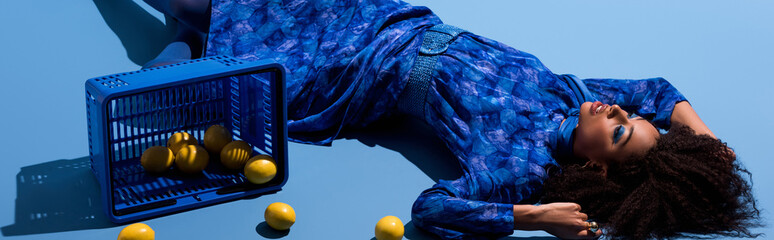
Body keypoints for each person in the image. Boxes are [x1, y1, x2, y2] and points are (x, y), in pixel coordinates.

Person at [140, 0, 761, 239]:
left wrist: (534, 218)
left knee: (214, 23)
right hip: (394, 18)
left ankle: (177, 45)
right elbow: (659, 89)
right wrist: (707, 144)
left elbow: (431, 209)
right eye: (627, 114)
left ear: (598, 162)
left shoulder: (522, 169)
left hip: (361, 64)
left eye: (622, 129)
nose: (619, 109)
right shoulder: (578, 94)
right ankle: (185, 40)